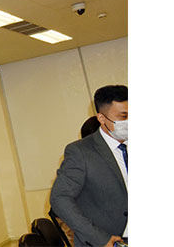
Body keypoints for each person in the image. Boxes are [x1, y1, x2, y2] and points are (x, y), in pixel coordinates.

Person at [50, 85, 128, 247]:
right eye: (124, 116)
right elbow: (60, 198)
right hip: (109, 241)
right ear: (101, 118)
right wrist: (99, 238)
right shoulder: (80, 152)